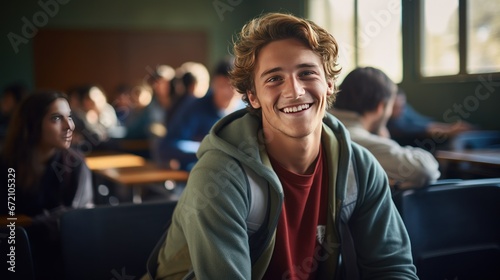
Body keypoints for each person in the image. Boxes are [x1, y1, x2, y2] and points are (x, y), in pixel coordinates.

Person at [147, 13, 418, 279]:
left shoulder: (359, 167)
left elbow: (392, 269)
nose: (294, 91)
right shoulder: (220, 176)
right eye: (274, 79)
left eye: (307, 73)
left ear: (329, 84)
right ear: (252, 96)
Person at [0, 90, 94, 280]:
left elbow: (75, 217)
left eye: (69, 116)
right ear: (32, 124)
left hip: (62, 258)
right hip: (13, 255)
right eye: (56, 118)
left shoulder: (75, 164)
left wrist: (27, 223)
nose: (69, 125)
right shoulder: (7, 164)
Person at [331, 67, 441, 188]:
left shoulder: (325, 124)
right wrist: (385, 140)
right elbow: (424, 169)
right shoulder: (355, 139)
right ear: (380, 106)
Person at [157, 58, 243, 171]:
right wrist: (209, 147)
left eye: (233, 86)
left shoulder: (245, 110)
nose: (227, 92)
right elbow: (168, 145)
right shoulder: (195, 108)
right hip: (203, 172)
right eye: (222, 85)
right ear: (213, 84)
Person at [387, 87, 474, 150]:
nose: (401, 110)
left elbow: (424, 123)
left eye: (402, 106)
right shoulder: (390, 124)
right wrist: (450, 131)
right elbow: (420, 130)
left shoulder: (404, 110)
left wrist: (451, 126)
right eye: (396, 107)